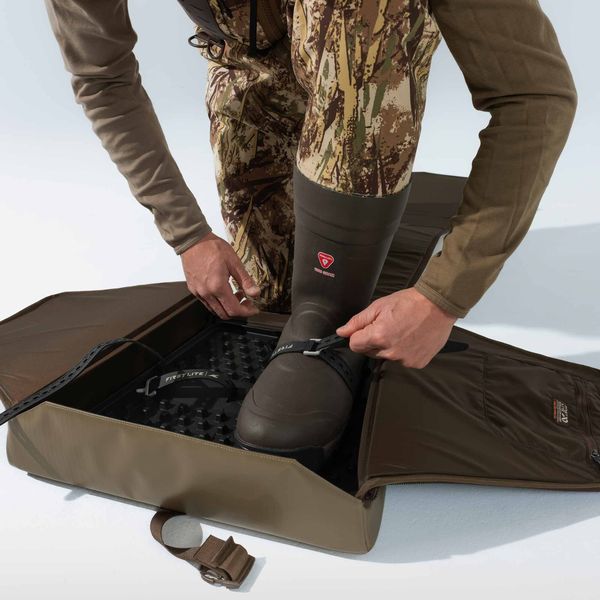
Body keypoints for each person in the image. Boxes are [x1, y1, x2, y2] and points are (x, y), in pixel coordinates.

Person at [44, 0, 576, 466]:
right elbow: (103, 78)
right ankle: (343, 248)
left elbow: (536, 95)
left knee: (324, 292)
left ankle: (330, 305)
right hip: (248, 61)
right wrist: (188, 234)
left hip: (366, 43)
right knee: (270, 294)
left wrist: (443, 296)